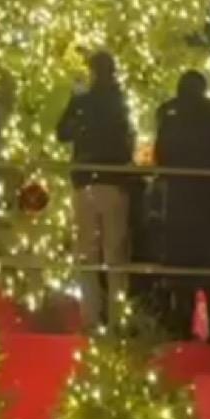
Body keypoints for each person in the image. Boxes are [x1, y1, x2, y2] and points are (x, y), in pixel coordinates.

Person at [55, 50, 134, 329]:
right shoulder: (119, 102)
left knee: (87, 253)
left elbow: (61, 132)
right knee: (115, 254)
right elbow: (127, 141)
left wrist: (75, 102)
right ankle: (117, 319)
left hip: (85, 179)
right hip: (114, 181)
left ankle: (91, 318)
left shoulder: (83, 102)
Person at [152, 71, 210, 336]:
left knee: (181, 274)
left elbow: (161, 158)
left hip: (179, 202)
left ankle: (181, 328)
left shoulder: (170, 122)